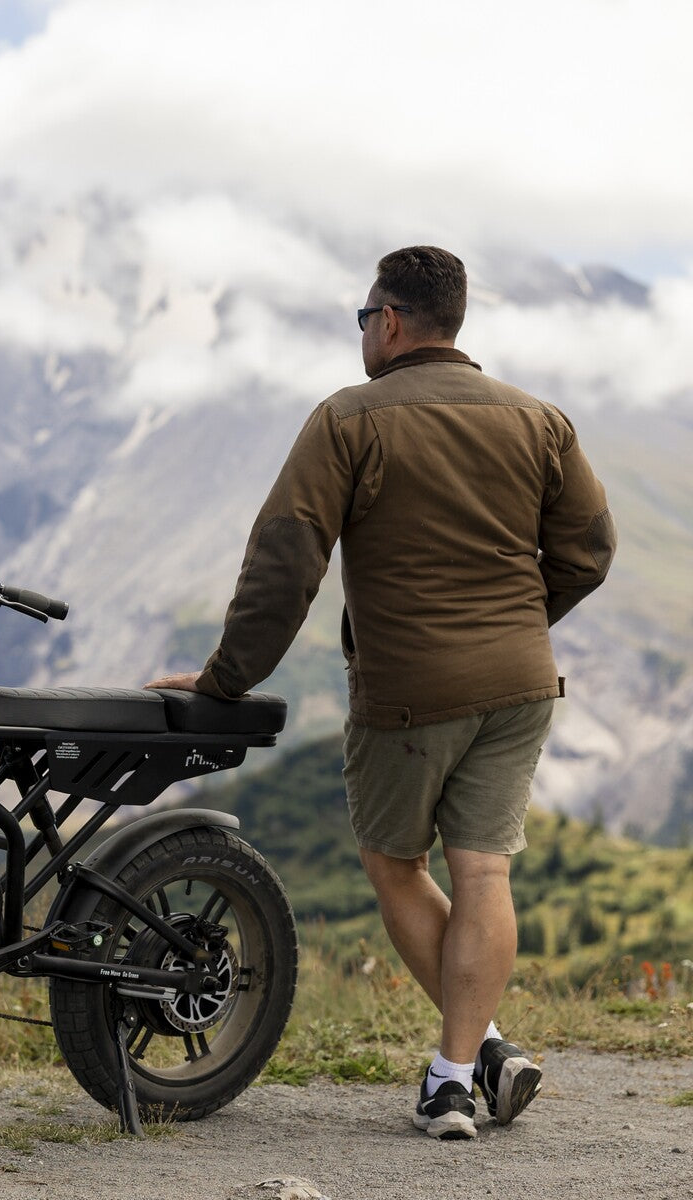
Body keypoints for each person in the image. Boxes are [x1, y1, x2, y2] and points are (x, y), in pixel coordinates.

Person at [147, 246, 616, 1140]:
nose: (363, 332)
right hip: (521, 682)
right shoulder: (538, 419)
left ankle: (455, 1082)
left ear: (390, 321)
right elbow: (590, 549)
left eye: (363, 317)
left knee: (397, 865)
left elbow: (287, 563)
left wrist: (223, 681)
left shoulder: (348, 419)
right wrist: (517, 618)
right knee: (484, 871)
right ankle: (470, 1061)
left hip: (408, 691)